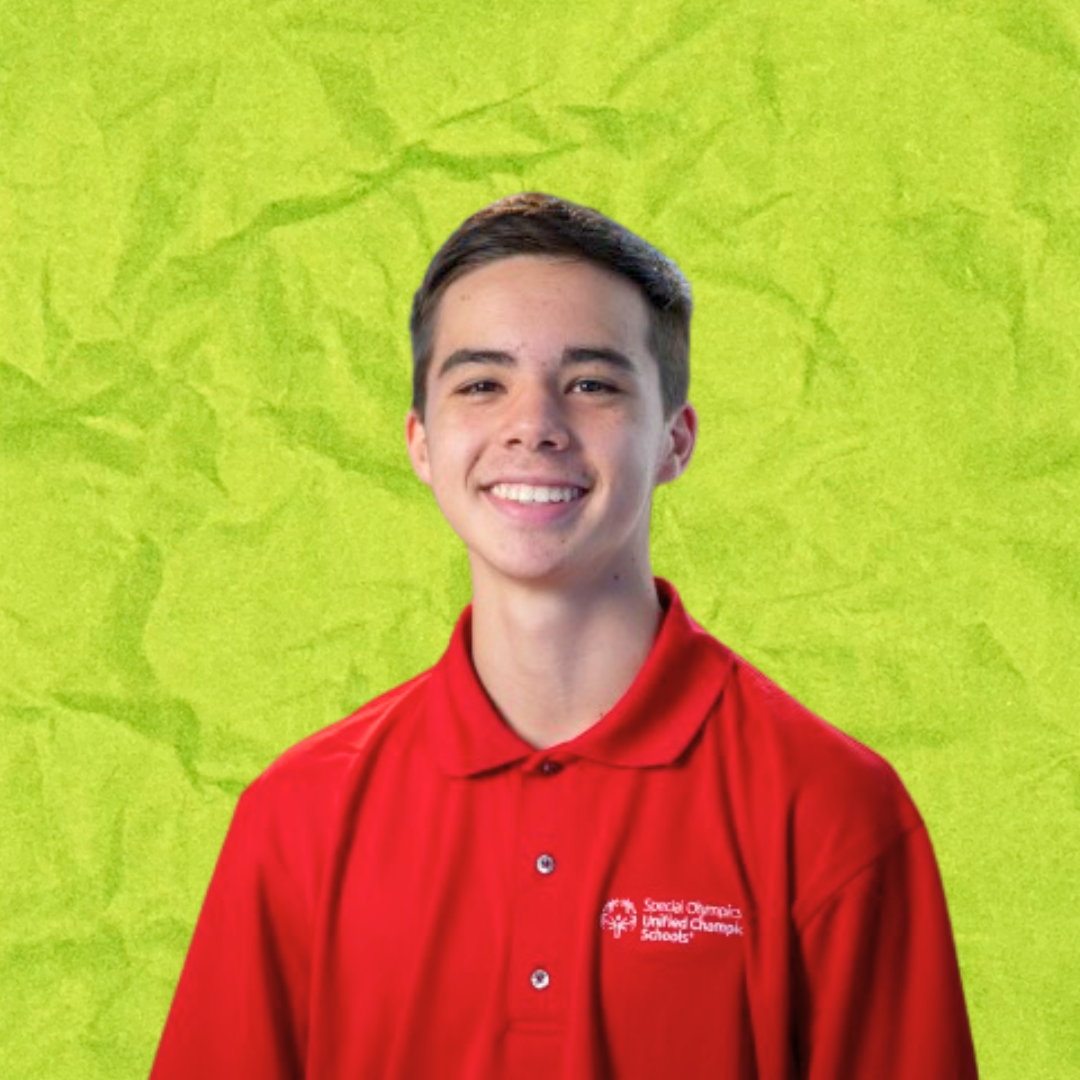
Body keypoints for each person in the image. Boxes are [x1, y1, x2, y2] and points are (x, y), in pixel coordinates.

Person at [149, 192, 978, 1078]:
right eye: (480, 383)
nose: (533, 424)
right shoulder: (298, 818)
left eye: (591, 383)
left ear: (675, 440)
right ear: (422, 444)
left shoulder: (832, 812)